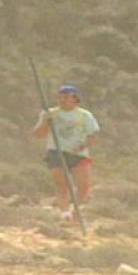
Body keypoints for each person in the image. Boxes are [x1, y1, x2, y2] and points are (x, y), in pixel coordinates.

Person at [32, 85, 99, 219]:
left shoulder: (85, 116)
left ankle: (76, 211)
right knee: (61, 183)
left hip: (78, 154)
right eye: (60, 97)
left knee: (84, 186)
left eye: (66, 97)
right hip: (56, 151)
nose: (62, 100)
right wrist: (47, 122)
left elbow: (93, 137)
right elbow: (38, 134)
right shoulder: (49, 113)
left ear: (75, 99)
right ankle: (64, 212)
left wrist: (81, 147)